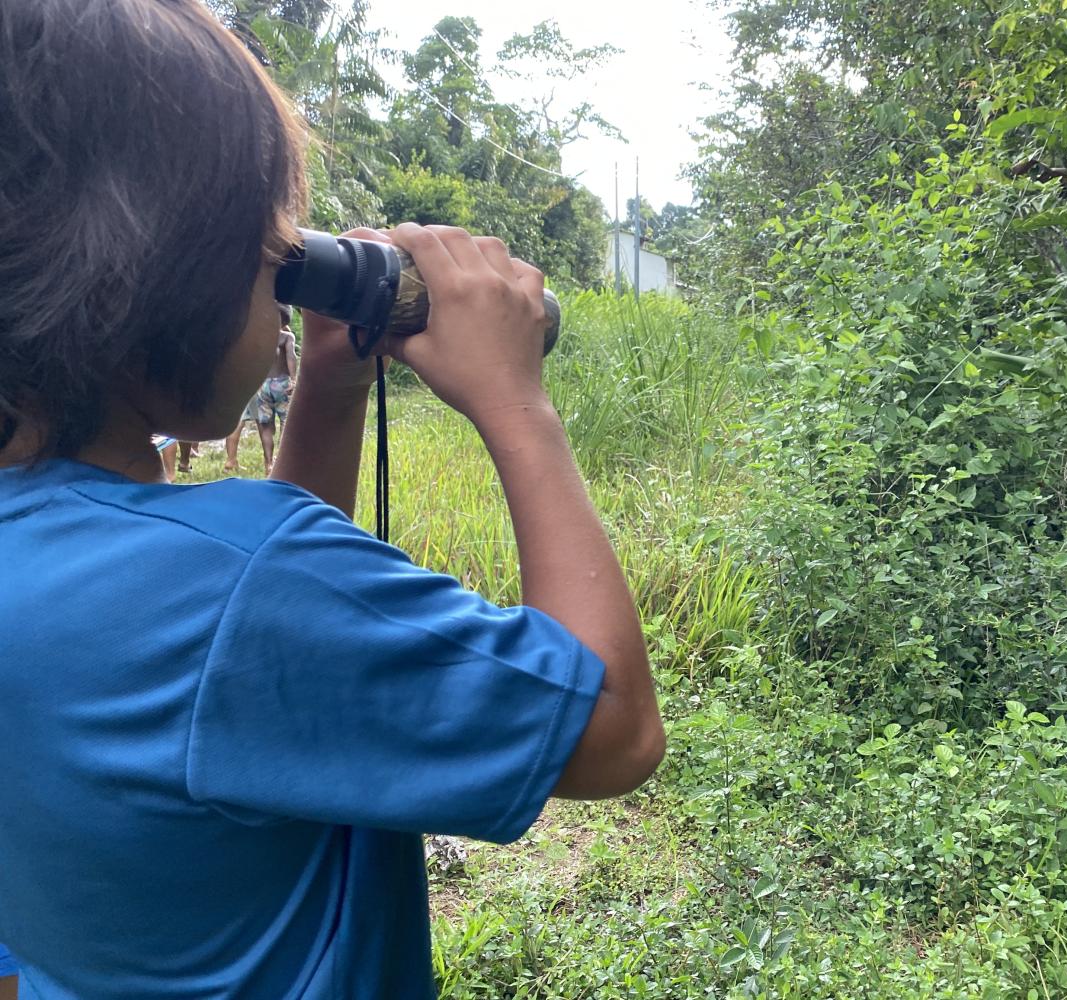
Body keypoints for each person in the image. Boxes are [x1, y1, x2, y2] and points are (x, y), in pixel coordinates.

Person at [0, 2, 664, 998]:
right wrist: (517, 405)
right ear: (149, 278)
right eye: (266, 254)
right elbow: (612, 730)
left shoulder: (106, 571)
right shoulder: (235, 592)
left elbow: (249, 686)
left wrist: (332, 382)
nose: (281, 288)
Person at [226, 304, 298, 473]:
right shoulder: (286, 337)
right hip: (282, 383)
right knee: (285, 424)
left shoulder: (256, 336)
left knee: (266, 427)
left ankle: (268, 464)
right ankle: (282, 463)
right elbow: (291, 357)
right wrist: (294, 379)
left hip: (262, 385)